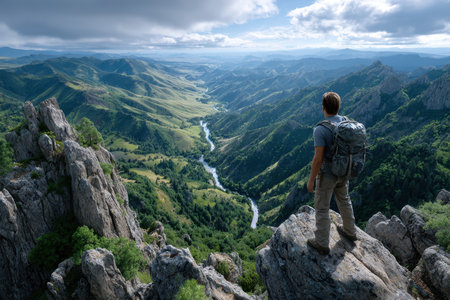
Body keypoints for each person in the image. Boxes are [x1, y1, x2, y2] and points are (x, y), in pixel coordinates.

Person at [306, 92, 357, 255]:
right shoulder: (346, 122)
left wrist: (311, 180)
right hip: (344, 170)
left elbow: (318, 158)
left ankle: (321, 242)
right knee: (344, 199)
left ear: (323, 108)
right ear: (338, 107)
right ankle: (350, 231)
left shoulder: (321, 129)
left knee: (322, 207)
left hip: (328, 174)